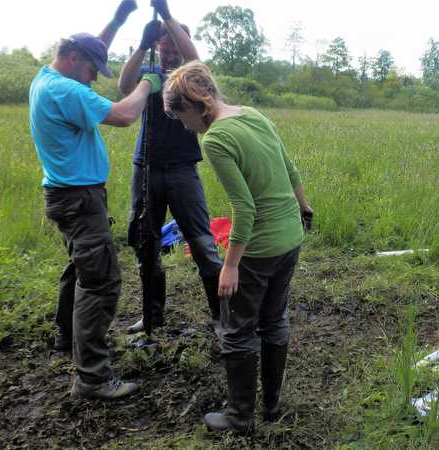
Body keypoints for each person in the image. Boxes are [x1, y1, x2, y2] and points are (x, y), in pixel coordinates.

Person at [162, 61, 313, 434]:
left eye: (180, 117)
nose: (183, 126)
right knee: (275, 319)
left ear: (194, 105)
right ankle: (272, 406)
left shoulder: (215, 138)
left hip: (260, 249)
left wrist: (230, 265)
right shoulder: (253, 115)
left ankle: (240, 416)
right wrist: (304, 206)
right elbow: (291, 169)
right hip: (291, 236)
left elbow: (244, 209)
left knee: (238, 329)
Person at [29, 0, 162, 400]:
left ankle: (66, 339)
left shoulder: (46, 79)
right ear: (71, 59)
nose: (93, 80)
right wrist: (146, 83)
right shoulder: (66, 91)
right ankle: (92, 378)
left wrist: (118, 21)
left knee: (80, 269)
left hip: (67, 196)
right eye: (91, 72)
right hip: (80, 200)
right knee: (100, 280)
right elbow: (123, 115)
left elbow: (91, 51)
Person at [118, 0, 223, 335]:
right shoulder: (150, 75)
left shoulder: (190, 79)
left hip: (182, 170)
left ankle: (223, 318)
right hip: (145, 167)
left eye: (172, 48)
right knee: (145, 244)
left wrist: (166, 15)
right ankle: (152, 315)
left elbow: (195, 60)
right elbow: (124, 85)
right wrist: (144, 45)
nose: (168, 55)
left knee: (203, 245)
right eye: (163, 49)